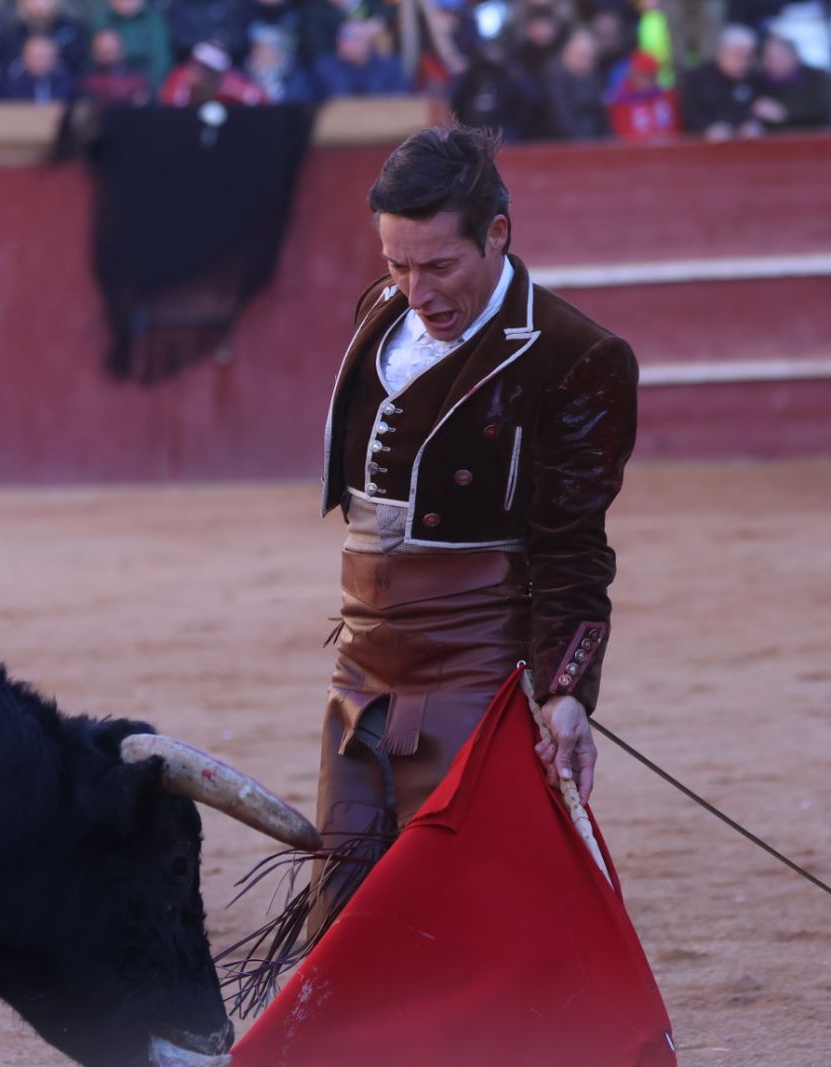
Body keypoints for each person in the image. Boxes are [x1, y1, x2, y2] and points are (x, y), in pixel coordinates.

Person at [311, 124, 638, 927]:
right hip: (361, 658)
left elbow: (572, 545)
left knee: (470, 904)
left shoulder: (575, 354)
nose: (416, 292)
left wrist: (564, 690)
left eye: (439, 265)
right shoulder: (380, 311)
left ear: (497, 234)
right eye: (396, 264)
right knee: (344, 898)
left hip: (474, 663)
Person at [680, 23, 763, 138]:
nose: (744, 62)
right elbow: (690, 116)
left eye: (748, 56)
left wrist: (755, 125)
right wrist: (707, 129)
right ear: (722, 52)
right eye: (738, 55)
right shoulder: (697, 79)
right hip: (706, 150)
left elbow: (760, 110)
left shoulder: (754, 78)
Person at [752, 33, 831, 130]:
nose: (771, 64)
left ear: (793, 55)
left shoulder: (818, 77)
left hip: (816, 138)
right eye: (768, 59)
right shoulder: (761, 83)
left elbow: (828, 111)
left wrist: (784, 113)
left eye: (777, 57)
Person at [312, 18, 409, 97]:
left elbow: (402, 98)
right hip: (338, 118)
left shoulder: (390, 67)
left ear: (368, 41)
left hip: (381, 118)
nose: (343, 43)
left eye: (351, 38)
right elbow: (309, 103)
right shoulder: (325, 67)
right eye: (341, 38)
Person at [158, 39, 266, 104]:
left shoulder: (229, 84)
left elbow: (260, 99)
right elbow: (170, 109)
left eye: (205, 69)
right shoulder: (179, 77)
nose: (195, 71)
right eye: (195, 64)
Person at [78, 28, 151, 105]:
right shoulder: (87, 82)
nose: (108, 57)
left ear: (122, 51)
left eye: (111, 51)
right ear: (94, 53)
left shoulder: (136, 80)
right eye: (103, 52)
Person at [0, 33, 75, 100]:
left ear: (56, 59)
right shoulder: (11, 86)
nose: (42, 63)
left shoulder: (67, 84)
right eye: (37, 57)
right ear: (25, 58)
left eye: (47, 57)